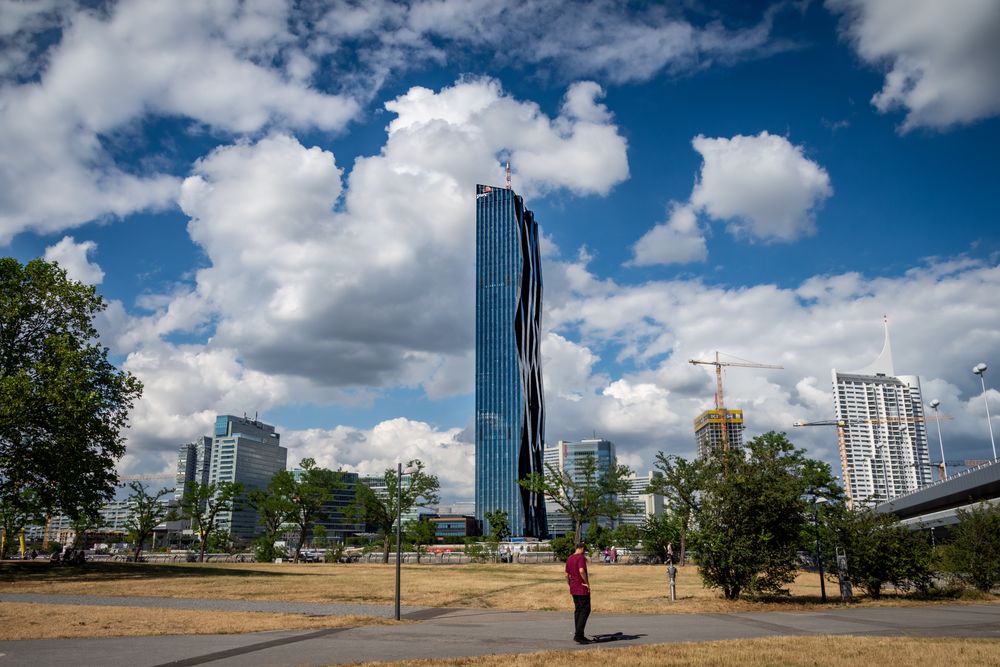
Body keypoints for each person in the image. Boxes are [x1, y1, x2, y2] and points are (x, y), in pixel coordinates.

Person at [565, 541, 591, 644]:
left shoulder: (570, 558)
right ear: (582, 549)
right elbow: (581, 570)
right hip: (581, 587)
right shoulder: (580, 558)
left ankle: (580, 634)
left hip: (573, 587)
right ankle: (578, 635)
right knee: (585, 610)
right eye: (585, 551)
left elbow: (566, 574)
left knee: (578, 610)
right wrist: (587, 583)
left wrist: (569, 584)